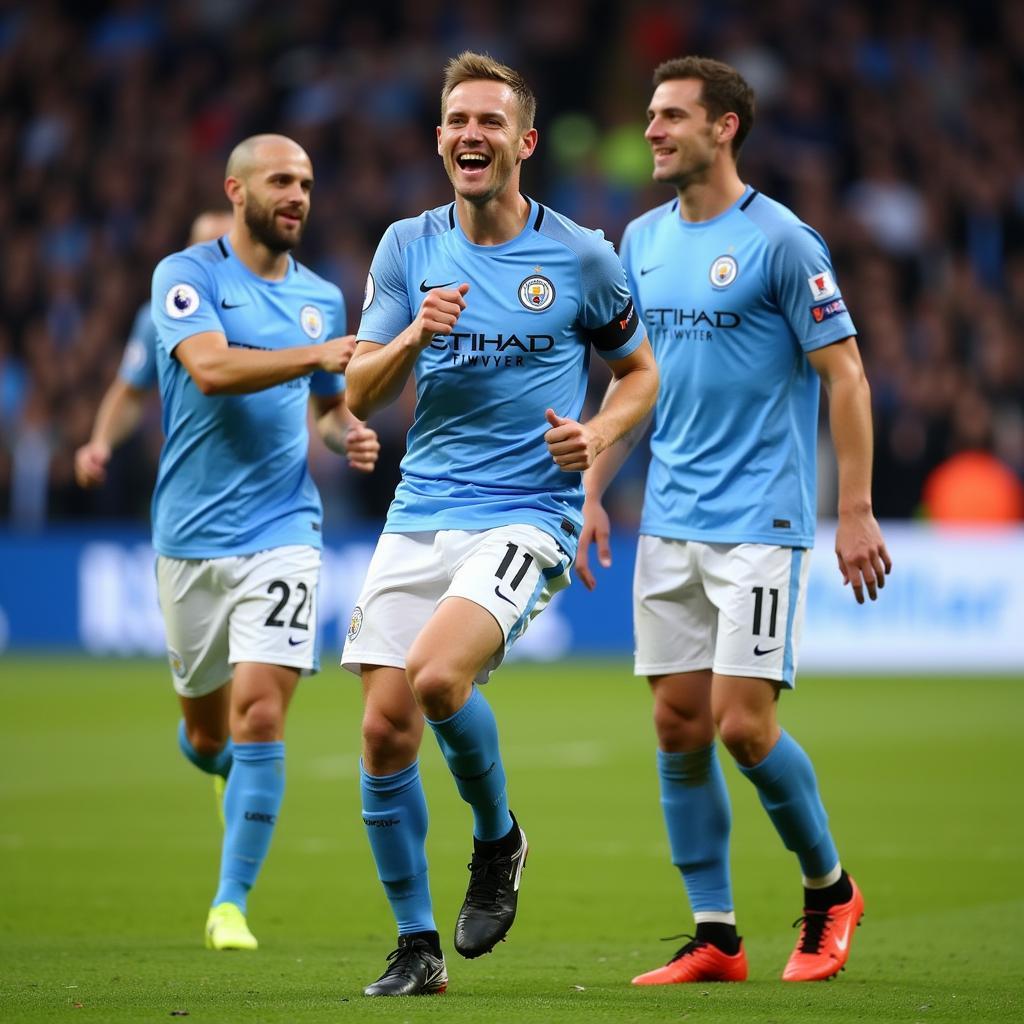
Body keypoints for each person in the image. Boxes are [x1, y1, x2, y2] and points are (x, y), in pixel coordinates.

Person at [341, 51, 658, 997]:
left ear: (523, 142)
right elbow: (358, 390)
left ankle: (498, 837)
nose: (469, 135)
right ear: (440, 139)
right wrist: (410, 336)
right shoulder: (406, 247)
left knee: (438, 679)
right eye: (455, 121)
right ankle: (415, 946)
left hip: (526, 512)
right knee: (384, 731)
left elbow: (639, 373)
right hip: (420, 507)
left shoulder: (581, 256)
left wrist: (596, 435)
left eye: (488, 121)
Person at [577, 57, 892, 985]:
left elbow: (846, 375)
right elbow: (634, 384)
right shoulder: (638, 241)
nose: (653, 131)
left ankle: (830, 892)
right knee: (677, 724)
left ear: (725, 129)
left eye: (672, 116)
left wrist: (856, 510)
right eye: (649, 116)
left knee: (742, 727)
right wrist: (594, 485)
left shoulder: (784, 242)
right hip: (669, 517)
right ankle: (716, 935)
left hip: (761, 518)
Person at [148, 134, 380, 951]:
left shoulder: (322, 296)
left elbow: (322, 405)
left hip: (283, 529)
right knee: (209, 735)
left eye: (308, 183)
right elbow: (210, 371)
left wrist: (344, 428)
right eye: (282, 180)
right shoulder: (186, 277)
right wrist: (316, 359)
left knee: (258, 714)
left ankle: (229, 904)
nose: (298, 195)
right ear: (236, 191)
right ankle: (223, 770)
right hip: (188, 536)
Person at [75, 211, 234, 490]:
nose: (215, 262)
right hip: (191, 485)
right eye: (205, 250)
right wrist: (100, 443)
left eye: (225, 251)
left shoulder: (272, 315)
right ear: (188, 253)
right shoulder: (158, 318)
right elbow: (129, 393)